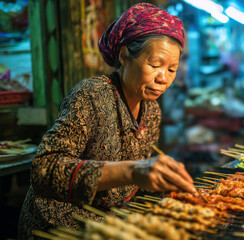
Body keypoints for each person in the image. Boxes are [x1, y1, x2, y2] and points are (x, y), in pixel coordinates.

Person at [18, 3, 195, 239]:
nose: (163, 78)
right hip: (59, 228)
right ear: (124, 56)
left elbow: (134, 186)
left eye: (171, 69)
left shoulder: (151, 111)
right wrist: (133, 170)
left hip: (108, 228)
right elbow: (44, 170)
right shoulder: (91, 95)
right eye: (154, 65)